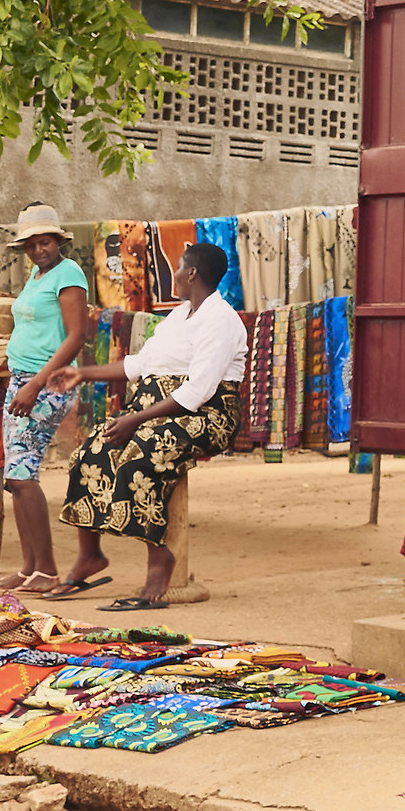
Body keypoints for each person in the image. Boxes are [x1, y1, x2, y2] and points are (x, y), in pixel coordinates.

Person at [50, 243, 248, 610]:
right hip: (156, 412)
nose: (174, 274)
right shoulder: (178, 316)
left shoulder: (220, 320)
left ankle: (160, 559)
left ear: (192, 273)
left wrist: (136, 420)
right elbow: (140, 365)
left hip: (207, 416)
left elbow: (198, 391)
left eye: (178, 267)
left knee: (139, 456)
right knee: (90, 453)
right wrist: (83, 373)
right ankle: (90, 556)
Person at [0, 204, 92, 594]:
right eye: (31, 245)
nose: (38, 250)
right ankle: (30, 567)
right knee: (16, 478)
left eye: (44, 242)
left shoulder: (69, 273)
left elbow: (76, 336)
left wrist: (35, 384)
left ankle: (47, 570)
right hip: (22, 381)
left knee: (22, 474)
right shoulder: (37, 276)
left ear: (58, 240)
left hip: (46, 385)